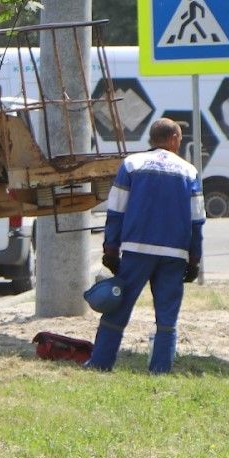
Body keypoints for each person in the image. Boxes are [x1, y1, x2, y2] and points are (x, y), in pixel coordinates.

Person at [86, 117, 205, 373]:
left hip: (136, 250)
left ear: (152, 139)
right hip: (174, 254)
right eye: (180, 139)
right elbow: (197, 220)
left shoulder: (131, 164)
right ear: (173, 139)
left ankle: (100, 363)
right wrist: (195, 259)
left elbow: (116, 211)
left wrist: (110, 249)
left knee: (118, 308)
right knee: (167, 316)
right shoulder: (188, 171)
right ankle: (160, 369)